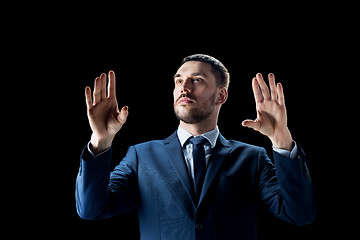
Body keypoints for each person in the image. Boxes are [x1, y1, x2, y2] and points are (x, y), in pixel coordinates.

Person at [76, 54, 316, 239]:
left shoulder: (252, 157)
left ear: (221, 96)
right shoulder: (141, 155)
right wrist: (101, 141)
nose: (184, 87)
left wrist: (281, 140)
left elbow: (300, 214)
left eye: (197, 80)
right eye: (178, 80)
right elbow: (91, 210)